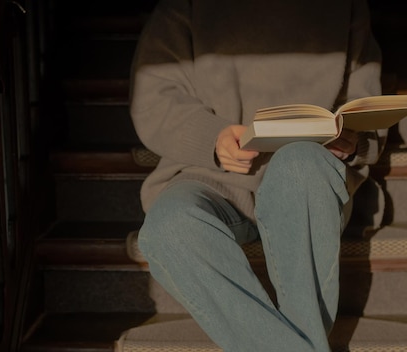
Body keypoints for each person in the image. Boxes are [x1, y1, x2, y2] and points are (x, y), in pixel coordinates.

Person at [129, 0, 385, 350]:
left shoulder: (346, 7)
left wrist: (351, 140)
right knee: (168, 227)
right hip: (209, 176)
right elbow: (152, 99)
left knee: (300, 165)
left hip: (306, 183)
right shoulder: (184, 5)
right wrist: (213, 137)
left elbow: (368, 107)